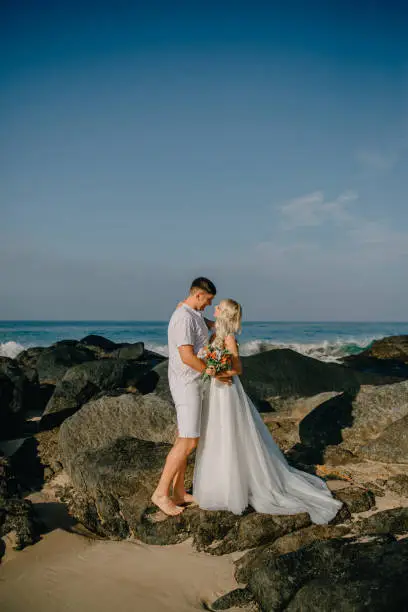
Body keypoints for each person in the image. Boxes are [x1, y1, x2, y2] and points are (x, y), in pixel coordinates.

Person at [193, 299, 343, 524]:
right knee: (214, 432)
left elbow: (237, 368)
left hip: (226, 390)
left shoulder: (230, 338)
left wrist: (218, 371)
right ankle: (217, 483)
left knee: (230, 433)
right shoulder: (215, 333)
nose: (213, 308)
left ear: (223, 313)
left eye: (218, 307)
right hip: (215, 391)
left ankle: (235, 486)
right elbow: (197, 319)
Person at [151, 277, 230, 516]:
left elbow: (212, 327)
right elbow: (186, 356)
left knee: (184, 438)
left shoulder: (191, 313)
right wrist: (212, 371)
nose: (208, 304)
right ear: (198, 295)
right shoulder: (183, 318)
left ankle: (178, 492)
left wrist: (226, 324)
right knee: (189, 441)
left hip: (194, 384)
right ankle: (160, 494)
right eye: (208, 300)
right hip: (186, 385)